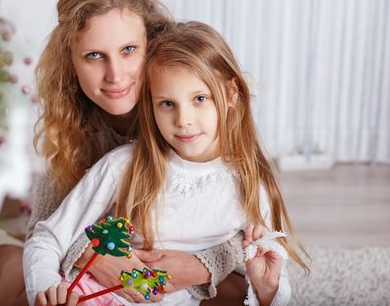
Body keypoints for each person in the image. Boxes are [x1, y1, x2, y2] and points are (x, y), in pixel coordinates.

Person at [0, 0, 250, 305]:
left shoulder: (191, 109)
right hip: (98, 243)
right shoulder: (75, 130)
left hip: (167, 262)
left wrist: (202, 266)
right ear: (71, 62)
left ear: (152, 44)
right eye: (94, 56)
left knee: (236, 295)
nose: (115, 75)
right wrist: (89, 255)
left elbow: (256, 222)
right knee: (24, 296)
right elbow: (44, 235)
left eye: (129, 50)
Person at [24, 21, 309, 306]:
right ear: (151, 104)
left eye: (199, 99)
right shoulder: (122, 167)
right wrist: (47, 288)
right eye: (167, 104)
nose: (183, 120)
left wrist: (267, 288)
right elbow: (48, 237)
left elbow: (270, 279)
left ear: (232, 93)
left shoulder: (250, 184)